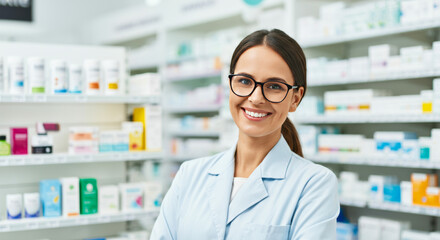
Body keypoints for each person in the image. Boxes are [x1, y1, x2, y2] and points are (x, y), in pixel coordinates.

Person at [150, 29, 340, 240]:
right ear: (230, 85)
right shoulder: (190, 175)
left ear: (295, 98)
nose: (256, 98)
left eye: (274, 86)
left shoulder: (314, 184)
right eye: (244, 81)